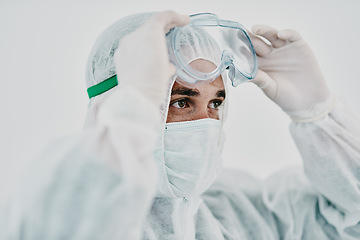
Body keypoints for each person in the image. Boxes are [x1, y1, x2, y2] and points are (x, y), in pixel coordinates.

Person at [1, 10, 360, 240]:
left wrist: (319, 117)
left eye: (216, 103)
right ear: (120, 105)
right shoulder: (78, 213)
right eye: (180, 101)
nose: (205, 124)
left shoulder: (238, 215)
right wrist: (131, 116)